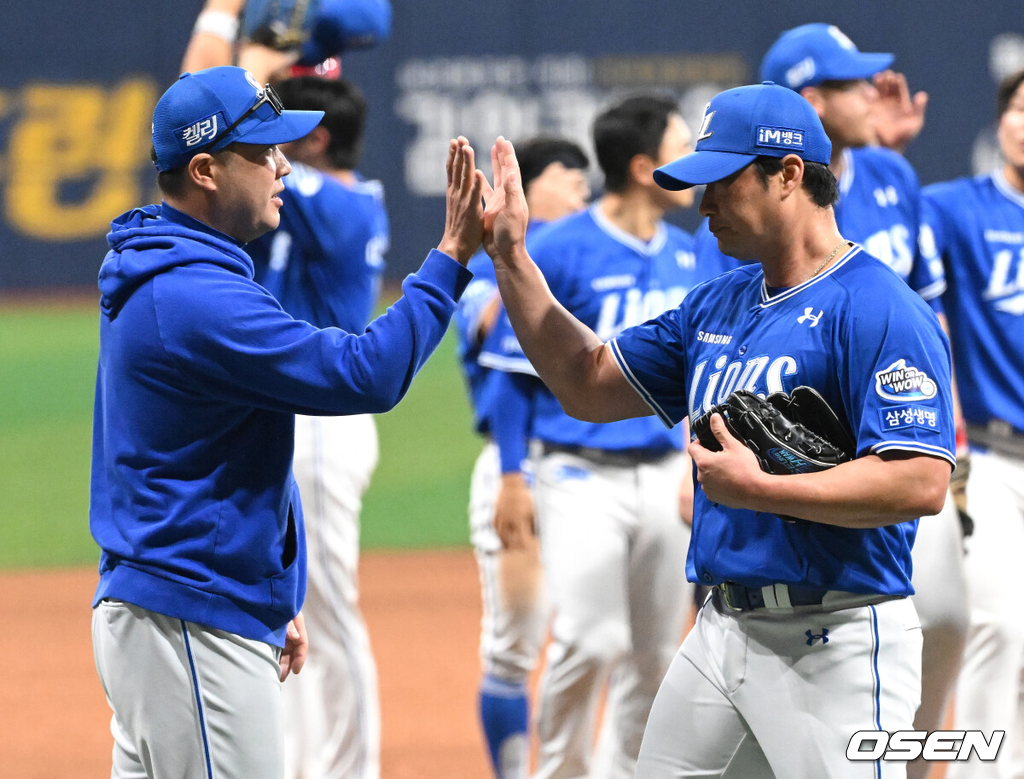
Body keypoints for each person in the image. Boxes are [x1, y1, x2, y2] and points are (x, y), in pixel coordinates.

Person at [479, 81, 954, 778]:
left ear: (788, 175)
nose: (702, 207)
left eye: (720, 184)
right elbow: (584, 380)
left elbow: (920, 479)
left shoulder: (880, 308)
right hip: (721, 633)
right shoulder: (719, 304)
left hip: (841, 642)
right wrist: (514, 261)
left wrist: (764, 489)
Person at [89, 65, 484, 779]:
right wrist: (451, 256)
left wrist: (278, 584)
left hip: (179, 605)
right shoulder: (196, 297)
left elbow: (230, 443)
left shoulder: (180, 268)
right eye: (264, 151)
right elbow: (365, 371)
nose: (283, 165)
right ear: (205, 169)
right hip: (193, 613)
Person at [493, 95, 730, 779]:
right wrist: (511, 475)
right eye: (681, 147)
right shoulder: (562, 248)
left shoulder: (690, 257)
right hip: (575, 470)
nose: (695, 163)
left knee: (657, 653)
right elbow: (514, 373)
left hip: (661, 470)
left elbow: (702, 373)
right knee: (591, 639)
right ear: (641, 165)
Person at [753, 25, 970, 759]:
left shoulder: (890, 176)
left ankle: (917, 766)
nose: (875, 91)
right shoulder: (757, 203)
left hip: (901, 434)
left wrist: (955, 441)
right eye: (852, 85)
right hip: (801, 450)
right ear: (810, 101)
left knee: (945, 618)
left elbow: (927, 313)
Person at [240, 75, 388, 779]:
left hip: (324, 423)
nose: (273, 142)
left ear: (317, 139)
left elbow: (235, 163)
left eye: (286, 126)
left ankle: (350, 770)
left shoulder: (343, 201)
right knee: (289, 605)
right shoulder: (322, 199)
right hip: (285, 414)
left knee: (328, 614)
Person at [454, 135, 591, 779]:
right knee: (514, 647)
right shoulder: (485, 273)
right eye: (569, 178)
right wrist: (518, 255)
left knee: (597, 638)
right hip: (521, 468)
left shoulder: (592, 262)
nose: (582, 190)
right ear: (527, 190)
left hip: (591, 470)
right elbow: (496, 333)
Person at [923, 67, 1024, 779]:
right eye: (1022, 108)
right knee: (998, 630)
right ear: (1002, 123)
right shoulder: (955, 208)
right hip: (995, 457)